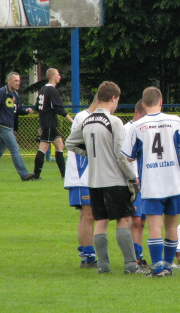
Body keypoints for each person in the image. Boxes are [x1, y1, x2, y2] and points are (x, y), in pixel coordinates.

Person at [65, 81, 142, 274]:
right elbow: (120, 155)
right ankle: (131, 266)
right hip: (114, 180)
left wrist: (90, 154)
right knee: (124, 220)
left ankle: (104, 266)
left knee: (101, 221)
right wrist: (132, 177)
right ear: (114, 98)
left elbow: (70, 143)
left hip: (93, 181)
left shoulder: (87, 120)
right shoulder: (114, 122)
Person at [121, 87, 180, 278]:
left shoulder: (137, 126)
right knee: (171, 225)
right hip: (174, 182)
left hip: (152, 184)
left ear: (143, 104)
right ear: (161, 102)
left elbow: (127, 157)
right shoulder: (175, 121)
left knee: (154, 226)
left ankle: (158, 268)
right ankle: (168, 266)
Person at [64, 96, 98, 268]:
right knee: (88, 215)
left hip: (88, 175)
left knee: (87, 215)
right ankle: (88, 255)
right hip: (82, 173)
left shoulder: (91, 118)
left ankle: (86, 254)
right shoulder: (83, 117)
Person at [0, 72, 35, 182]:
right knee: (15, 149)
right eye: (15, 81)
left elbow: (18, 110)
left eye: (19, 81)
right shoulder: (2, 92)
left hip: (9, 126)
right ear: (9, 81)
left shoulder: (15, 94)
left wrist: (26, 111)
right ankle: (24, 174)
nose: (18, 83)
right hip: (3, 125)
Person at [34, 68, 73, 180]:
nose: (59, 76)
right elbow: (59, 109)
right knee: (43, 147)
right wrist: (72, 121)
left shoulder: (43, 89)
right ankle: (37, 175)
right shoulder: (51, 90)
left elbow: (37, 107)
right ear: (52, 76)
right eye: (58, 74)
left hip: (46, 123)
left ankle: (64, 175)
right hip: (49, 123)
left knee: (60, 145)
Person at [124, 99, 147, 267]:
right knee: (135, 220)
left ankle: (139, 254)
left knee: (143, 221)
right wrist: (131, 176)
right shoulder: (126, 129)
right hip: (132, 181)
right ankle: (135, 256)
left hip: (147, 181)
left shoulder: (146, 128)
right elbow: (123, 157)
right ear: (137, 112)